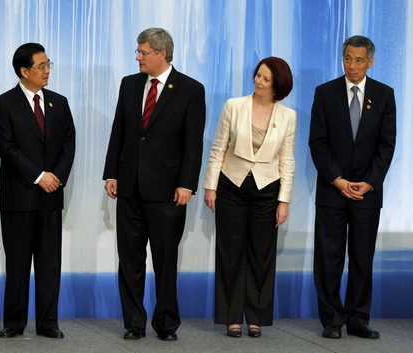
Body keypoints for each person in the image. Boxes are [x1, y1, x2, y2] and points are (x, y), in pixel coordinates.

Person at [103, 28, 205, 341]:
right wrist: (111, 173)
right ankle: (134, 324)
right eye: (138, 51)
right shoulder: (129, 84)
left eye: (143, 52)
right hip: (129, 187)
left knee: (165, 261)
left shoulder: (190, 89)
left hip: (168, 192)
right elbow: (119, 129)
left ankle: (166, 324)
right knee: (130, 261)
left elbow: (193, 143)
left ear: (162, 54)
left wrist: (187, 184)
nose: (137, 57)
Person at [309, 35, 396, 339]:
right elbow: (317, 144)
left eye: (359, 60)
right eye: (348, 58)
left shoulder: (385, 95)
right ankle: (332, 320)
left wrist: (370, 183)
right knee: (329, 257)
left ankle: (358, 319)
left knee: (361, 258)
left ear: (370, 62)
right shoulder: (325, 93)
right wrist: (337, 180)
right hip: (332, 190)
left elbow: (387, 146)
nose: (352, 65)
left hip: (367, 193)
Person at [203, 57, 296, 338]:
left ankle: (255, 317)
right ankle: (232, 317)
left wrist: (284, 200)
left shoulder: (288, 115)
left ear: (278, 85)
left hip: (268, 189)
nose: (258, 81)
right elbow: (218, 148)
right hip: (232, 185)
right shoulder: (234, 106)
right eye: (257, 75)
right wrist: (210, 185)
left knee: (261, 255)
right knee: (230, 253)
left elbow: (287, 160)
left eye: (266, 79)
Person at [0, 43, 75, 339]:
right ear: (24, 71)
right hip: (19, 197)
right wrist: (39, 176)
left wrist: (55, 178)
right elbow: (7, 149)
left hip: (51, 196)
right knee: (17, 264)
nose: (47, 70)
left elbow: (68, 145)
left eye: (48, 64)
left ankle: (48, 323)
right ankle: (14, 323)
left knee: (50, 264)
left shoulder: (59, 102)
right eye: (41, 66)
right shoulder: (2, 104)